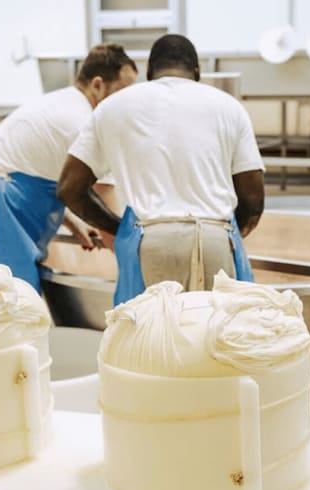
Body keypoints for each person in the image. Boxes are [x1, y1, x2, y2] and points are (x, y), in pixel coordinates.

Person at [57, 33, 265, 306]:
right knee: (211, 331)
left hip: (148, 242)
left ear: (149, 73)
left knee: (147, 331)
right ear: (197, 72)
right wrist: (222, 236)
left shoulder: (112, 107)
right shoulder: (229, 107)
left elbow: (69, 188)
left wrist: (119, 229)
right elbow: (253, 198)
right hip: (214, 238)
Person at [0, 43, 137, 291]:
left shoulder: (61, 103)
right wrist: (131, 257)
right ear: (98, 85)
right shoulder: (82, 123)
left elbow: (42, 172)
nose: (127, 104)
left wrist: (73, 222)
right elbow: (103, 199)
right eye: (122, 93)